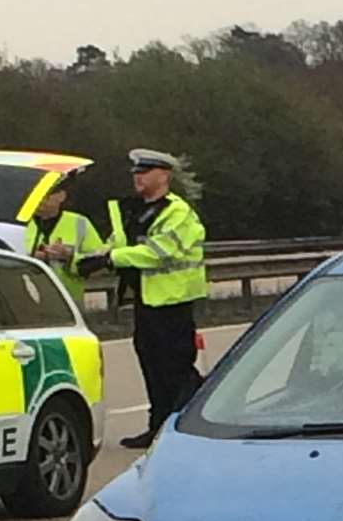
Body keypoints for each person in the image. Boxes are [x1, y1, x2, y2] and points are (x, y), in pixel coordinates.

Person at [79, 148, 207, 449]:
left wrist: (111, 258)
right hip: (146, 300)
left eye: (144, 172)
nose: (137, 177)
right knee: (151, 363)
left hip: (172, 301)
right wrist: (84, 258)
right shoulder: (134, 211)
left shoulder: (177, 213)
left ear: (164, 176)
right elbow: (116, 244)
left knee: (175, 367)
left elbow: (159, 252)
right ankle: (158, 426)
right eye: (136, 172)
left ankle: (189, 425)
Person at [23, 174, 107, 306]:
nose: (40, 200)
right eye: (36, 194)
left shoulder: (80, 223)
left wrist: (70, 257)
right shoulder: (19, 223)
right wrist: (32, 257)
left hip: (69, 304)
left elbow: (101, 264)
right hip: (26, 302)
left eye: (47, 194)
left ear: (62, 196)